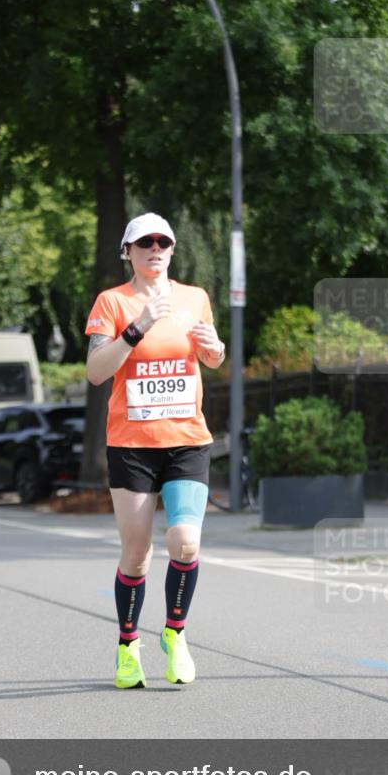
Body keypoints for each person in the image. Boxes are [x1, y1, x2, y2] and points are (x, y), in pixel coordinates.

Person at [85, 212, 225, 688]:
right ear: (127, 251)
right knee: (138, 553)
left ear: (171, 249)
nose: (155, 248)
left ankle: (175, 634)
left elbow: (209, 357)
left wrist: (216, 349)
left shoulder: (195, 298)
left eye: (163, 241)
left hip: (187, 438)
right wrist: (137, 326)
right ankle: (128, 646)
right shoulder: (113, 302)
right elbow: (96, 372)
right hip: (132, 446)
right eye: (144, 242)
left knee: (185, 541)